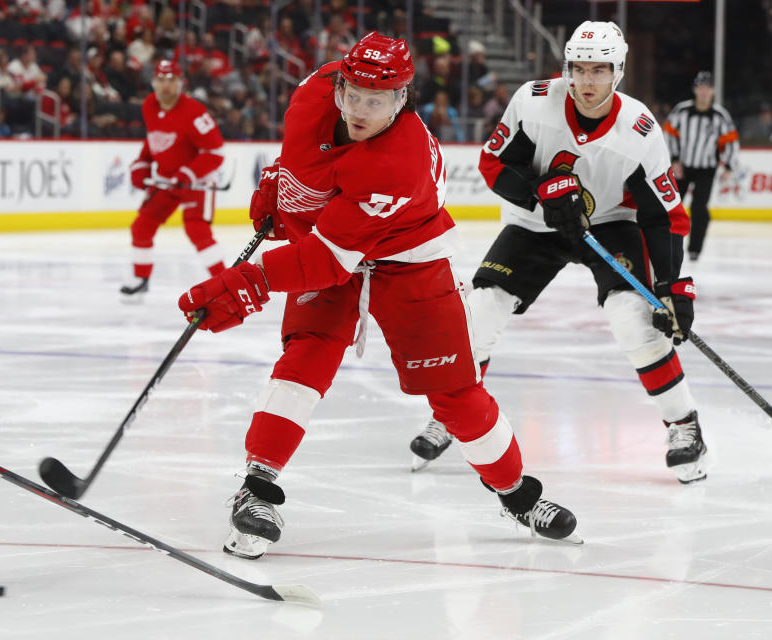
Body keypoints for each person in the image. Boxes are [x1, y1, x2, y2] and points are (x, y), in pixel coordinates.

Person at [177, 32, 581, 560]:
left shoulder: (396, 160)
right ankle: (257, 489)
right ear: (337, 84)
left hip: (408, 259)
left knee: (454, 392)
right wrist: (283, 187)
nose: (360, 110)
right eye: (353, 95)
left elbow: (323, 262)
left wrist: (245, 283)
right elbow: (298, 158)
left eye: (378, 101)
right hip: (332, 235)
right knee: (307, 352)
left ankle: (517, 494)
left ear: (402, 99)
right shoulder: (312, 92)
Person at [408, 21, 708, 485]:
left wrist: (673, 287)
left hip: (610, 224)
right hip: (537, 222)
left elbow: (662, 216)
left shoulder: (639, 130)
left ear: (618, 72)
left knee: (634, 318)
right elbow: (494, 164)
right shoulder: (534, 101)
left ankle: (683, 422)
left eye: (599, 71)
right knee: (481, 310)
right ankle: (454, 414)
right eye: (578, 69)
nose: (587, 82)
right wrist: (540, 194)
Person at [122, 59, 227, 299]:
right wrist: (142, 164)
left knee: (197, 230)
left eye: (171, 81)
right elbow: (155, 141)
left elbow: (215, 152)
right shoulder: (149, 105)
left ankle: (224, 283)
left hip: (196, 180)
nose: (165, 86)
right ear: (153, 83)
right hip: (168, 180)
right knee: (142, 226)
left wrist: (187, 174)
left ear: (181, 83)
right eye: (160, 80)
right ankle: (141, 278)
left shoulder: (195, 112)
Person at [662, 71, 739, 261]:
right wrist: (674, 160)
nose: (704, 92)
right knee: (672, 206)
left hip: (707, 168)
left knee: (699, 208)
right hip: (683, 167)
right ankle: (668, 243)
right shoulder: (682, 111)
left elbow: (730, 141)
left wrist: (728, 166)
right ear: (695, 89)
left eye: (708, 88)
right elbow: (668, 134)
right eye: (701, 87)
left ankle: (694, 249)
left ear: (713, 91)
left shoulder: (720, 116)